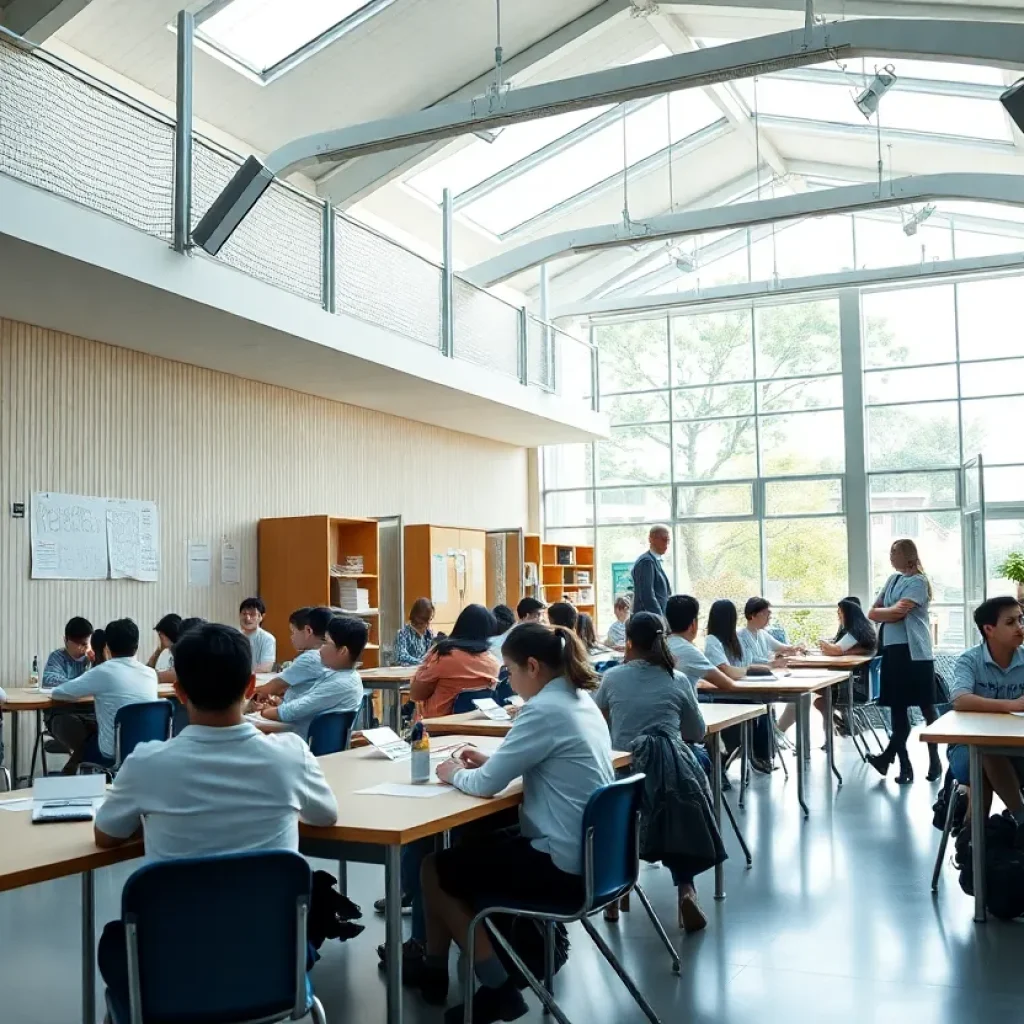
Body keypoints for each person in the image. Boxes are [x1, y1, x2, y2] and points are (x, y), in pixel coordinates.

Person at [92, 623, 338, 1004]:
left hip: (171, 973)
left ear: (179, 691)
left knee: (114, 940)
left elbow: (106, 834)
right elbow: (325, 816)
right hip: (272, 967)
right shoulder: (290, 755)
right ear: (250, 685)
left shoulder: (146, 764)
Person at [414, 623, 613, 1022]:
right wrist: (493, 763)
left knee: (434, 869)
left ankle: (497, 987)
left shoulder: (542, 709)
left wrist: (451, 772)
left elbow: (485, 787)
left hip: (561, 865)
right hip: (597, 858)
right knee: (452, 862)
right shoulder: (578, 700)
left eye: (510, 670)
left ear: (533, 666)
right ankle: (434, 971)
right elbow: (547, 765)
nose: (508, 679)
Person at [594, 611, 709, 932]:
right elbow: (697, 732)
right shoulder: (678, 678)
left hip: (624, 781)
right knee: (694, 775)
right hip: (671, 778)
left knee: (627, 812)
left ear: (629, 642)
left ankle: (615, 900)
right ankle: (686, 888)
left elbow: (596, 722)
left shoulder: (613, 677)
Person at [867, 538, 941, 784]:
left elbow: (898, 613)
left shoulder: (918, 581)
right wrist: (885, 613)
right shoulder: (893, 580)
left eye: (894, 552)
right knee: (898, 710)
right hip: (892, 651)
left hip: (916, 653)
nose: (890, 556)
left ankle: (934, 760)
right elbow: (873, 611)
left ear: (908, 555)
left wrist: (885, 613)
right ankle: (903, 766)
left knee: (927, 708)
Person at [948, 597, 1024, 819]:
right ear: (989, 629)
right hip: (966, 747)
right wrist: (1011, 705)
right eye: (1010, 622)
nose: (1020, 627)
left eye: (1021, 619)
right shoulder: (970, 660)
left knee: (985, 763)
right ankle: (1020, 820)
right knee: (984, 753)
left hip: (1017, 746)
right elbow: (960, 699)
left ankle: (970, 841)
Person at [50, 618, 158, 773]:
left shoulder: (104, 672)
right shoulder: (151, 674)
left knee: (85, 741)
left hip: (113, 753)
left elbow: (58, 693)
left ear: (107, 645)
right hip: (148, 749)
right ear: (137, 644)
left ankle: (68, 781)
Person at [260, 615, 367, 739]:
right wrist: (278, 705)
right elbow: (305, 702)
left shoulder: (341, 683)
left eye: (326, 643)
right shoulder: (340, 676)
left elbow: (289, 712)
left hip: (301, 743)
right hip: (300, 734)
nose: (320, 649)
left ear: (342, 651)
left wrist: (263, 711)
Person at [704, 599, 778, 772]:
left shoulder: (734, 639)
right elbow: (728, 671)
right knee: (759, 708)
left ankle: (761, 756)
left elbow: (744, 666)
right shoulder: (712, 641)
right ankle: (753, 756)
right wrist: (747, 670)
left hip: (741, 689)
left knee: (764, 706)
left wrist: (752, 669)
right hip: (724, 693)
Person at [410, 604, 499, 718]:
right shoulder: (493, 663)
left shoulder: (445, 656)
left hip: (439, 726)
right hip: (478, 724)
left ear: (459, 626)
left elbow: (416, 693)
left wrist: (429, 657)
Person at [41, 616, 96, 758]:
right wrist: (81, 684)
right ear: (65, 640)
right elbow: (49, 680)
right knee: (74, 728)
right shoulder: (58, 657)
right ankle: (80, 765)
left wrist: (96, 664)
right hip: (62, 712)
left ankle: (76, 765)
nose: (82, 649)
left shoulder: (93, 659)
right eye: (77, 644)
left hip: (88, 712)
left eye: (85, 644)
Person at [254, 606, 332, 705]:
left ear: (308, 631)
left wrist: (251, 691)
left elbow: (274, 687)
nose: (291, 637)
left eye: (293, 632)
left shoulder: (310, 658)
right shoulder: (329, 655)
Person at [631, 525, 671, 616]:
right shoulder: (646, 562)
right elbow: (647, 596)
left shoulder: (654, 560)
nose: (666, 544)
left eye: (668, 540)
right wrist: (660, 619)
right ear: (651, 539)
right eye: (664, 539)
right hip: (649, 621)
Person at [394, 598, 436, 666]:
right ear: (416, 616)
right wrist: (422, 663)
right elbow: (401, 657)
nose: (427, 624)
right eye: (424, 620)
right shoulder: (403, 634)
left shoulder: (429, 635)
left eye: (429, 619)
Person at [239, 597, 276, 672]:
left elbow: (266, 667)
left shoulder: (267, 638)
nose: (247, 618)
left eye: (252, 614)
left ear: (261, 617)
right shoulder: (234, 636)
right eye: (244, 614)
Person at [146, 614, 181, 683]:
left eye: (160, 634)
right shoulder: (175, 653)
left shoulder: (183, 656)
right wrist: (159, 650)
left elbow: (148, 676)